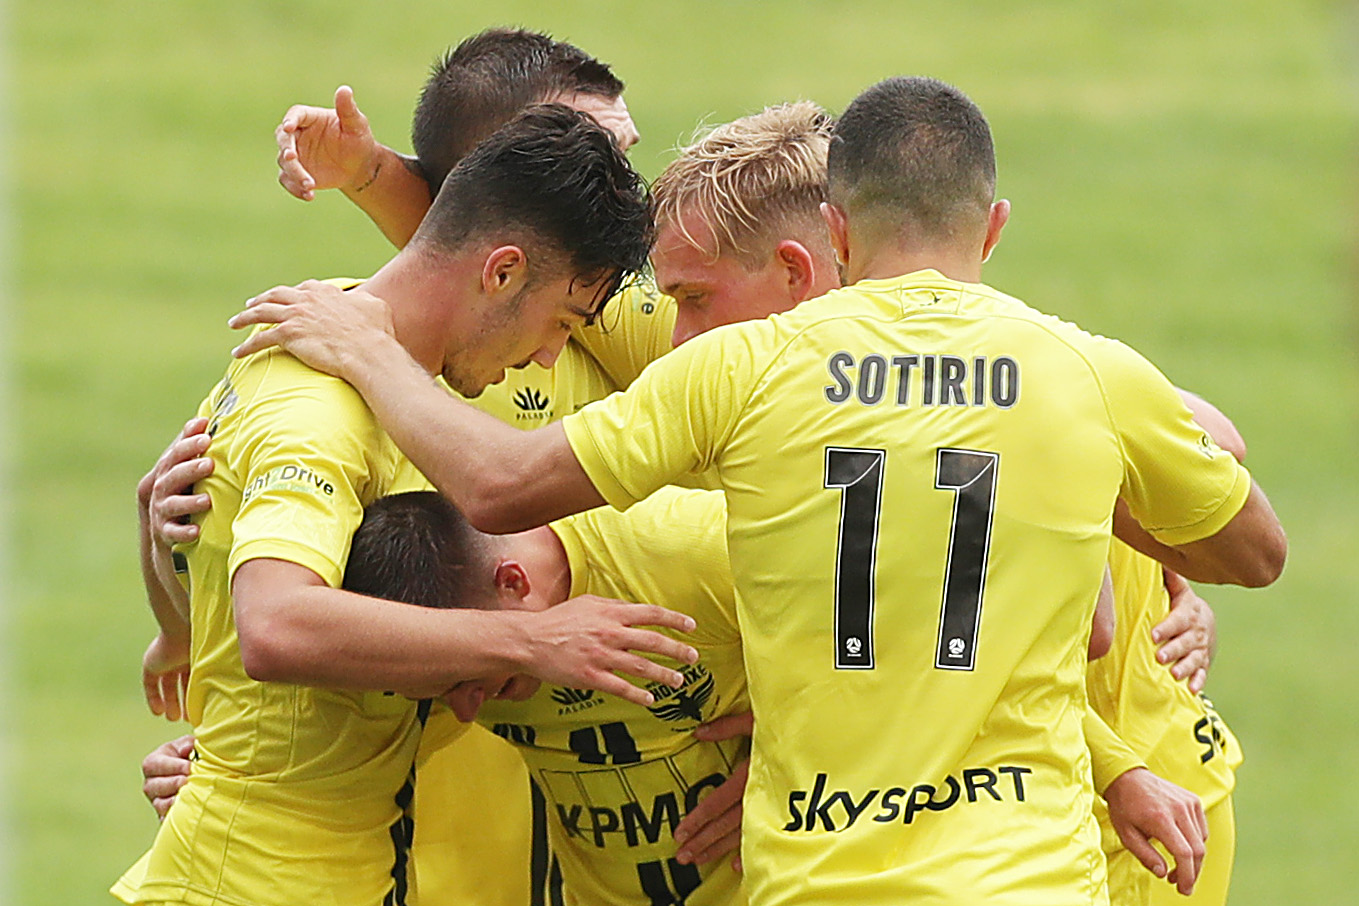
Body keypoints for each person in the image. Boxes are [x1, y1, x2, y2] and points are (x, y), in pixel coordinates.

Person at [225, 77, 1286, 904]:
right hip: (1034, 865)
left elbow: (503, 475)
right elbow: (1240, 535)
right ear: (988, 228)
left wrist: (368, 353)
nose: (667, 333)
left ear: (817, 250)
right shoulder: (1071, 369)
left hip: (1107, 827)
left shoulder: (746, 376)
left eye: (689, 299)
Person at [114, 105, 699, 906]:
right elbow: (275, 623)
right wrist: (529, 640)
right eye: (560, 321)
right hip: (264, 883)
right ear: (500, 273)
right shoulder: (319, 402)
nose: (550, 357)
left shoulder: (344, 334)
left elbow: (206, 561)